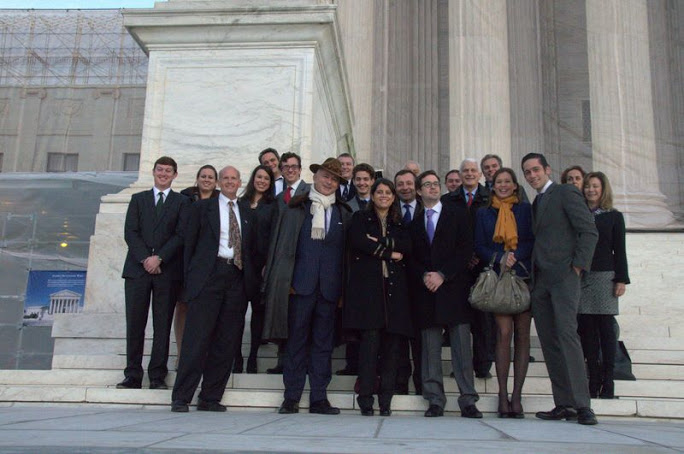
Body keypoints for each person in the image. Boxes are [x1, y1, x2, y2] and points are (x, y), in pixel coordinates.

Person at [262, 158, 353, 415]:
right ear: (315, 177)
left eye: (334, 179)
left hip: (329, 291)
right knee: (296, 343)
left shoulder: (343, 213)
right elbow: (281, 248)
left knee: (323, 345)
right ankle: (291, 397)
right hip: (299, 288)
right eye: (325, 176)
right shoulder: (295, 208)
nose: (328, 182)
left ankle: (319, 398)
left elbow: (345, 256)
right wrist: (284, 282)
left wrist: (342, 293)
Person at [171, 166, 259, 412]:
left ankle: (210, 397)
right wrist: (191, 281)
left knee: (226, 341)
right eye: (226, 178)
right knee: (196, 338)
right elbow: (189, 245)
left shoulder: (247, 211)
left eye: (234, 178)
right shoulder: (201, 208)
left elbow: (253, 248)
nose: (230, 182)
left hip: (236, 277)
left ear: (240, 182)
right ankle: (182, 397)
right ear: (220, 182)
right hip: (209, 277)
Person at [521, 152, 599, 425]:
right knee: (549, 342)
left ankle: (583, 405)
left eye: (535, 170)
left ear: (547, 169)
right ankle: (563, 403)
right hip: (541, 280)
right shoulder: (536, 201)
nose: (532, 175)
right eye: (527, 172)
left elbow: (589, 231)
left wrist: (577, 267)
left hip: (564, 276)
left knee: (567, 337)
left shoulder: (565, 192)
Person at [409, 170, 482, 419]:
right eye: (427, 185)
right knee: (430, 349)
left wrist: (442, 274)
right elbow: (412, 258)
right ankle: (435, 400)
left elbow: (465, 249)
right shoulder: (415, 223)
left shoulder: (458, 214)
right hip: (427, 292)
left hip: (453, 289)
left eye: (435, 184)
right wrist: (425, 276)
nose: (432, 187)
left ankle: (468, 399)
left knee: (462, 347)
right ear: (419, 191)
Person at [118, 156, 189, 390]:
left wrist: (159, 258)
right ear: (154, 171)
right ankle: (132, 374)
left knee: (162, 325)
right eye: (160, 170)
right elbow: (131, 232)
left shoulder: (181, 202)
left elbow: (180, 235)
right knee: (135, 323)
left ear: (175, 175)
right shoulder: (138, 199)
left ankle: (158, 375)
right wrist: (145, 259)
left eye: (168, 171)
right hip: (138, 271)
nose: (163, 174)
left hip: (166, 271)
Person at [345, 179, 412, 416]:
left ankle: (385, 400)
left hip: (394, 293)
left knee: (392, 350)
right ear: (372, 196)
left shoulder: (400, 222)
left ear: (393, 197)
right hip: (368, 293)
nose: (384, 196)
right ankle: (365, 399)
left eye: (388, 192)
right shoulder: (360, 219)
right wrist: (390, 253)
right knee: (369, 348)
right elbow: (359, 242)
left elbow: (407, 246)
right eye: (379, 192)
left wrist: (382, 244)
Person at [474, 168, 534, 418]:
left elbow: (531, 239)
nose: (503, 185)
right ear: (492, 185)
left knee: (522, 335)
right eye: (499, 182)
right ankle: (502, 394)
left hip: (522, 275)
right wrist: (500, 257)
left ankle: (516, 396)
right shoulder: (483, 213)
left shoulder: (525, 210)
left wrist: (515, 256)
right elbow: (479, 244)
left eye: (507, 181)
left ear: (515, 185)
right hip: (498, 278)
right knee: (503, 333)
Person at [578, 171, 629, 400]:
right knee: (587, 331)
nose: (591, 190)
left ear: (603, 189)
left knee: (607, 330)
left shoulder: (614, 216)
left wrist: (621, 279)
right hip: (582, 276)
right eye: (587, 186)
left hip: (605, 276)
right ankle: (593, 380)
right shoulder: (578, 214)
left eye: (595, 186)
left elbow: (620, 249)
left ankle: (608, 382)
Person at [442, 158, 493, 379]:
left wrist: (478, 256)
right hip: (457, 270)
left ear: (480, 175)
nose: (470, 174)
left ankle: (483, 365)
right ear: (460, 175)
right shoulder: (447, 200)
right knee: (459, 321)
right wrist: (462, 258)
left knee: (484, 320)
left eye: (473, 170)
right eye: (465, 171)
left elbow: (494, 231)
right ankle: (461, 366)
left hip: (484, 268)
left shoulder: (491, 199)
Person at [267, 151, 310, 374]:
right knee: (281, 311)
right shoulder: (278, 198)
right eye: (286, 167)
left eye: (294, 166)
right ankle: (283, 359)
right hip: (281, 266)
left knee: (299, 315)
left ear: (300, 169)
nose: (290, 170)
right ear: (281, 171)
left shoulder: (310, 193)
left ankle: (300, 361)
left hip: (303, 264)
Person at [233, 164, 277, 374]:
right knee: (237, 313)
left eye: (266, 179)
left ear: (270, 183)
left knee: (258, 313)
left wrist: (269, 263)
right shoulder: (240, 203)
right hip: (240, 266)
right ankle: (236, 357)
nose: (262, 181)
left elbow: (274, 236)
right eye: (259, 177)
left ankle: (252, 357)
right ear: (253, 179)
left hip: (261, 267)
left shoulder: (273, 205)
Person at [175, 165, 219, 364]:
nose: (207, 180)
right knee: (183, 305)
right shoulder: (185, 199)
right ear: (197, 178)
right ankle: (180, 352)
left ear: (216, 181)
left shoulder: (222, 200)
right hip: (186, 259)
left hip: (212, 263)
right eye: (203, 176)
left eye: (211, 177)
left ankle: (204, 353)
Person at [336, 162, 375, 377]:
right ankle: (352, 364)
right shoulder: (346, 206)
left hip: (376, 270)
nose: (361, 182)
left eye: (365, 179)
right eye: (358, 179)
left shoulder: (381, 202)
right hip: (353, 269)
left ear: (371, 181)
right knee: (353, 317)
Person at [393, 169, 423, 396]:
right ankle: (400, 380)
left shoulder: (428, 209)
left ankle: (422, 382)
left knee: (421, 338)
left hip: (422, 282)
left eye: (408, 183)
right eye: (400, 184)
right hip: (396, 281)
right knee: (399, 335)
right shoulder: (389, 210)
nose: (405, 187)